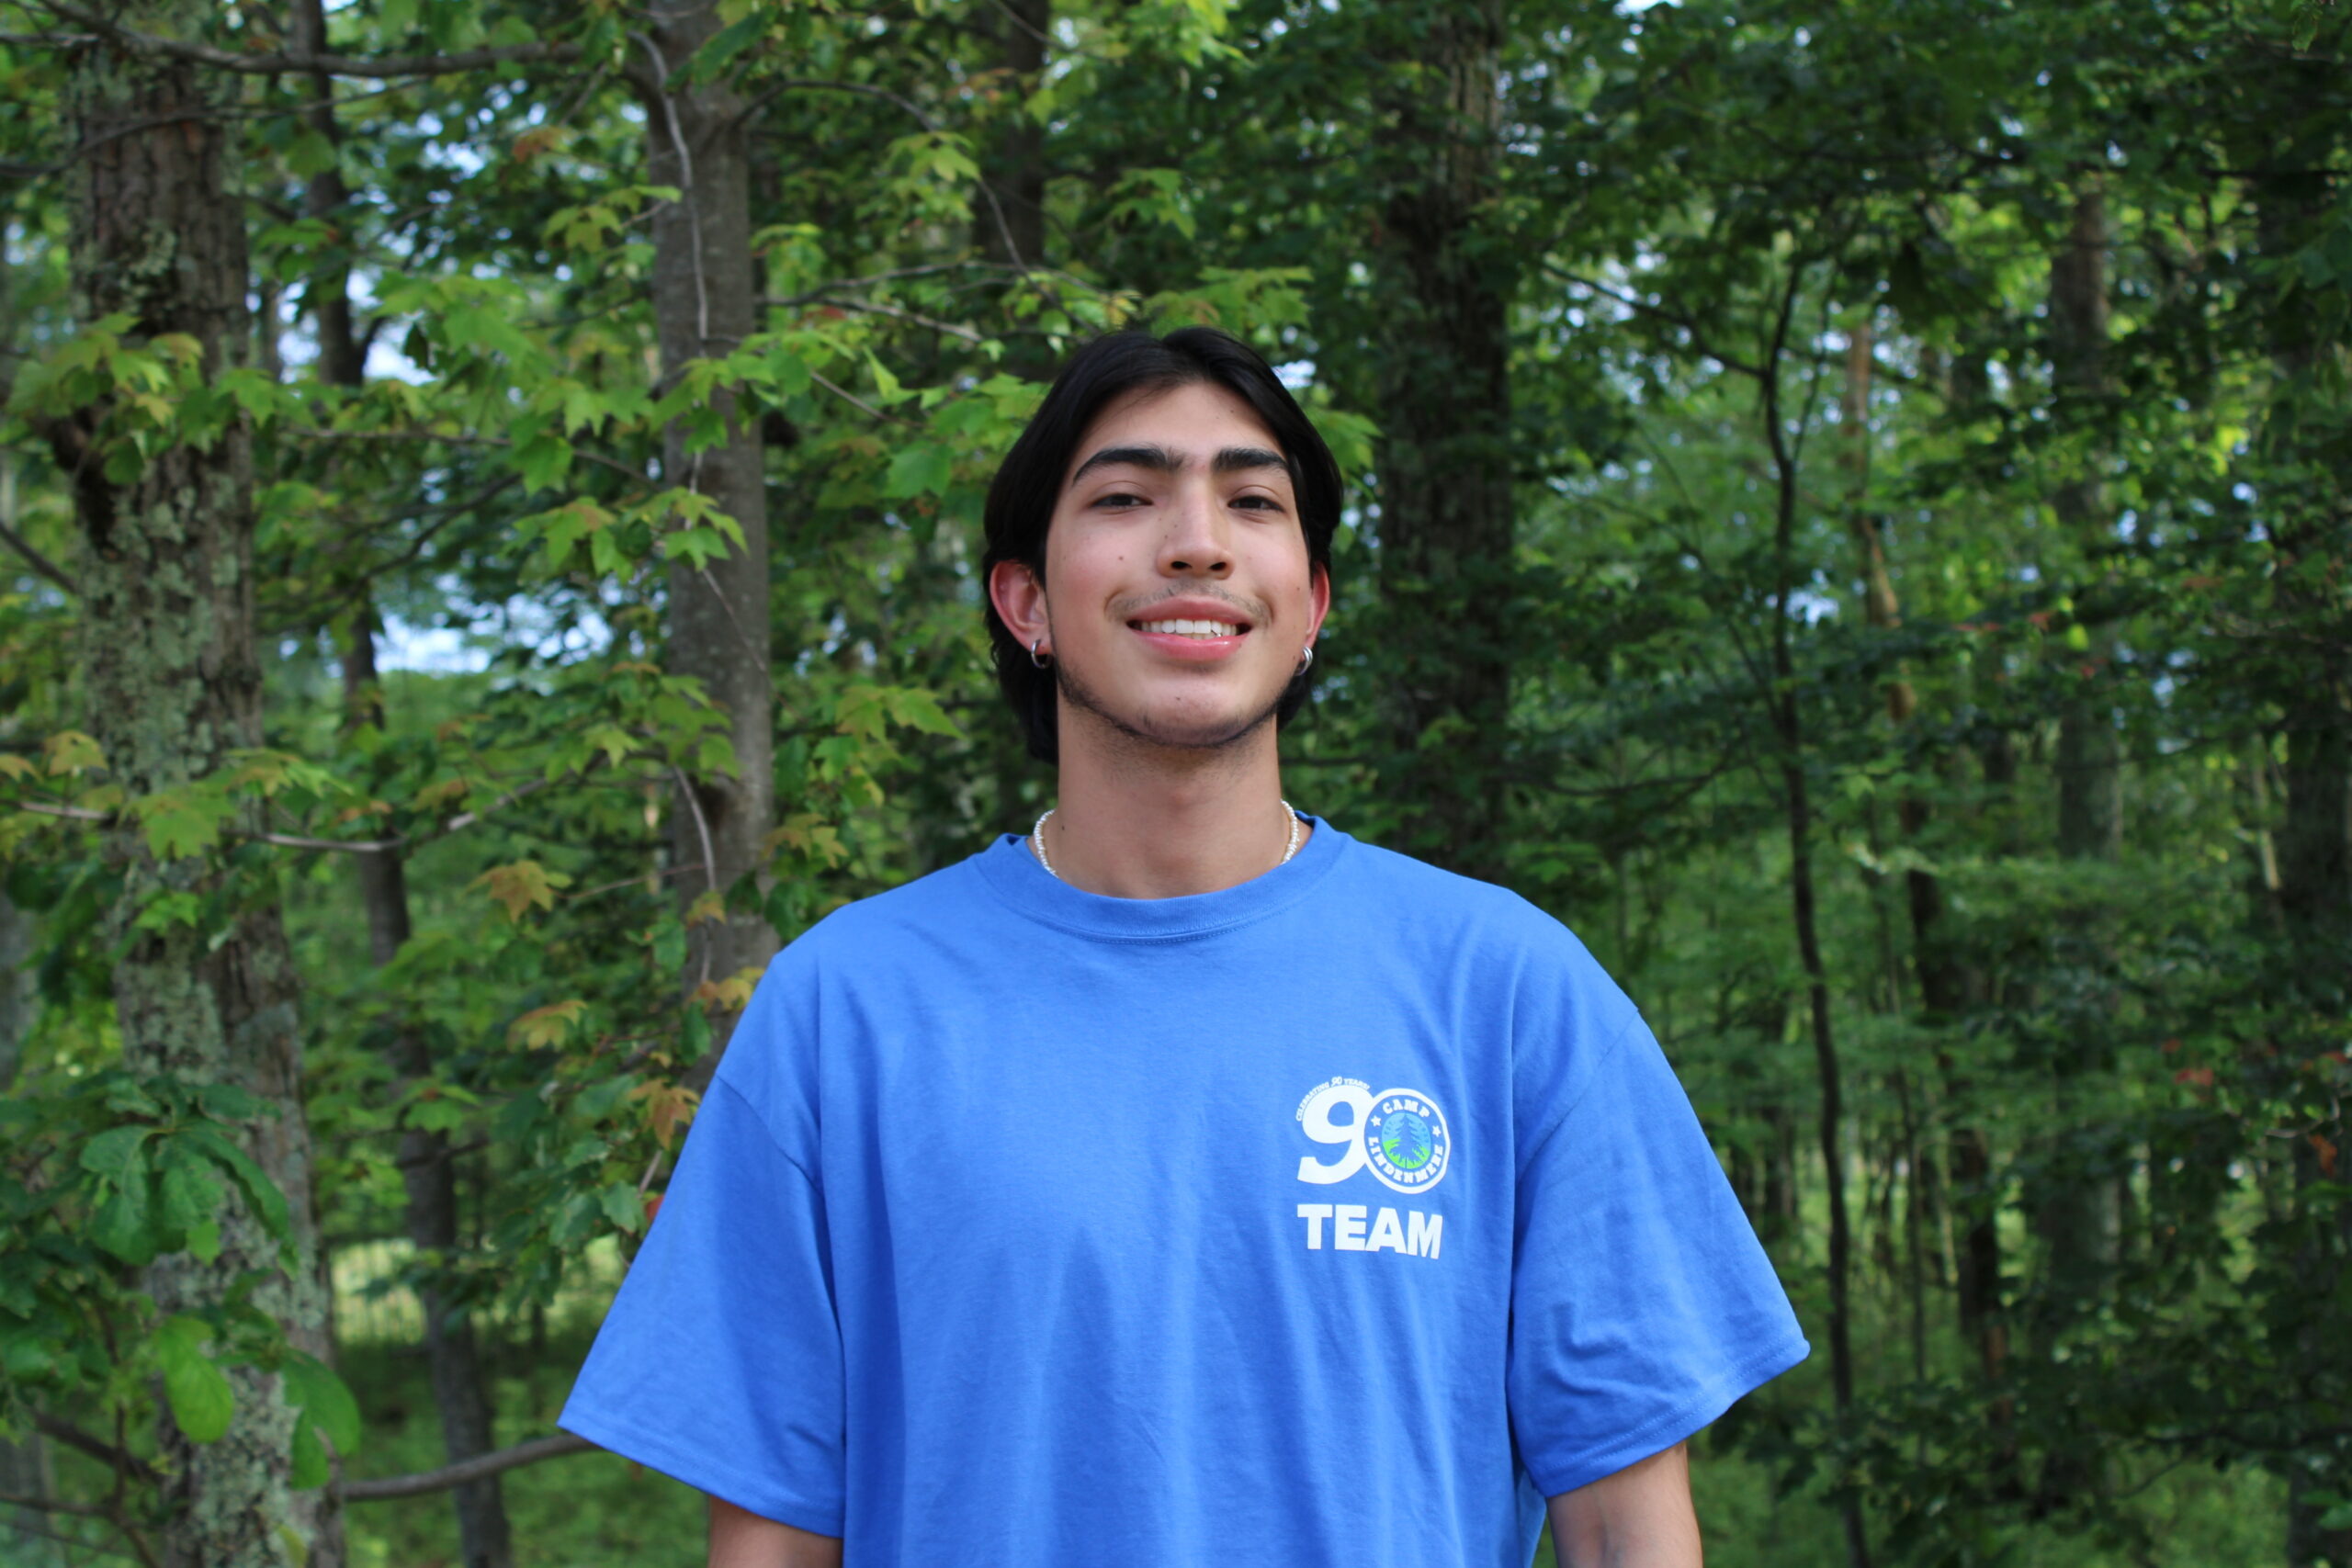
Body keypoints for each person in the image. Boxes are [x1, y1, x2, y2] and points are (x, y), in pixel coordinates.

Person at [559, 327, 1808, 1567]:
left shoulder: (1509, 990)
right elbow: (774, 1542)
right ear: (1026, 602)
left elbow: (1626, 1530)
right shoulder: (846, 1008)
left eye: (1253, 501)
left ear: (1311, 605)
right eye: (1125, 496)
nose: (1198, 541)